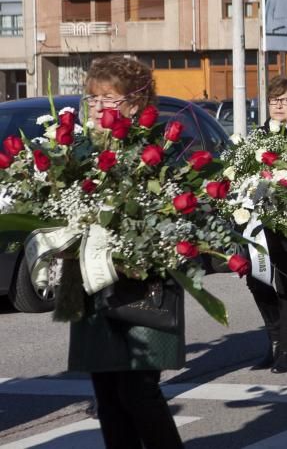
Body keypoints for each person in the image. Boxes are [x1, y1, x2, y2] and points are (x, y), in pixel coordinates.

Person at [72, 56, 184, 449]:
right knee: (107, 395)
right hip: (93, 284)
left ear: (134, 103)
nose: (98, 105)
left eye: (108, 97)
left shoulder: (161, 148)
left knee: (138, 392)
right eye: (92, 97)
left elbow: (185, 211)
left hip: (143, 284)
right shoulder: (80, 147)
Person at [248, 76, 287, 374]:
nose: (278, 106)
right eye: (274, 100)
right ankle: (274, 337)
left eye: (285, 100)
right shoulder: (257, 135)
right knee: (256, 279)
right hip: (258, 223)